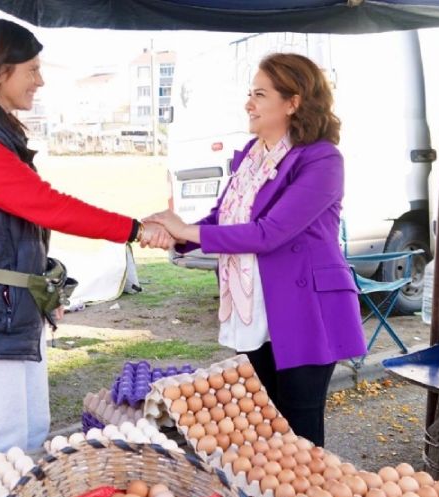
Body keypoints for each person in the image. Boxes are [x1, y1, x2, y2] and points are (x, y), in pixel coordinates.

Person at [0, 19, 171, 459]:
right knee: (1, 444)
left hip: (4, 308)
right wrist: (136, 229)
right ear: (0, 71)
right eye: (31, 69)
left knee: (32, 433)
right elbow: (47, 205)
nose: (41, 79)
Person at [146, 53, 366, 447]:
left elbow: (270, 233)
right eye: (250, 93)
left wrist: (187, 230)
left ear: (293, 102)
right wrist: (175, 231)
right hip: (257, 311)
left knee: (299, 429)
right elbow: (222, 219)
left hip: (306, 312)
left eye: (260, 94)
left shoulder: (321, 158)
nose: (249, 103)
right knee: (263, 420)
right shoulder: (252, 156)